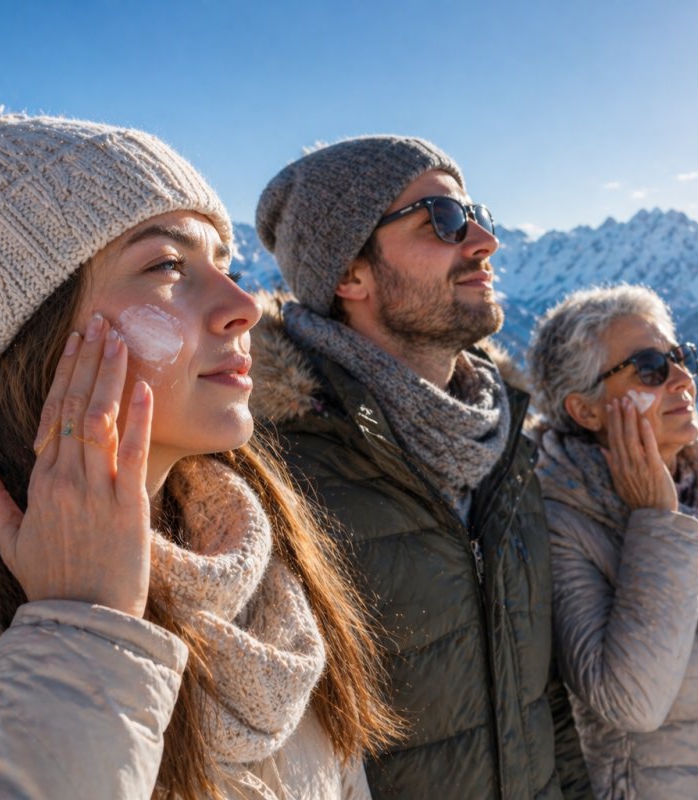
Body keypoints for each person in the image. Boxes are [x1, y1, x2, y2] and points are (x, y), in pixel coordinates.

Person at [0, 57, 396, 799]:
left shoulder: (257, 560)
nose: (243, 305)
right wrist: (76, 630)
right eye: (165, 265)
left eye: (223, 261)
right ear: (22, 341)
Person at [251, 135, 591, 799]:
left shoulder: (504, 442)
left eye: (475, 211)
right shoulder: (284, 470)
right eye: (442, 219)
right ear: (350, 275)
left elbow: (540, 699)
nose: (485, 239)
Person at [526, 284, 698, 800]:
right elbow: (633, 702)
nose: (683, 378)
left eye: (680, 356)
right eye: (651, 367)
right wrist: (656, 521)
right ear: (586, 410)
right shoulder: (560, 521)